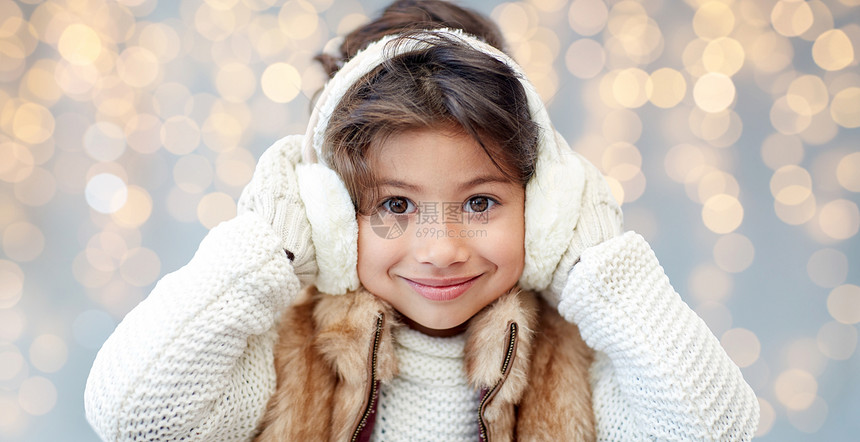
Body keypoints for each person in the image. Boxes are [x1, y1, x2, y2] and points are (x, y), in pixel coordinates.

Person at [84, 1, 760, 440]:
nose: (440, 250)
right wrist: (264, 248)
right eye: (395, 206)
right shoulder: (282, 350)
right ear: (326, 216)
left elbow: (716, 428)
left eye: (480, 202)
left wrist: (598, 265)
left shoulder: (581, 359)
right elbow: (133, 417)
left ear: (547, 205)